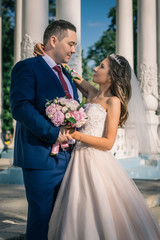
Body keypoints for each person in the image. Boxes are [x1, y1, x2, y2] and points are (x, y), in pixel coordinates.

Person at [34, 43, 160, 239]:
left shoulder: (114, 102)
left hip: (96, 161)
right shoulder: (92, 93)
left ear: (111, 76)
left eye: (101, 66)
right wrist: (47, 56)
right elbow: (73, 74)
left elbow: (108, 142)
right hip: (77, 158)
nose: (95, 68)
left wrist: (76, 135)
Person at [10, 19, 79, 240]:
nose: (74, 50)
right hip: (41, 157)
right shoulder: (27, 67)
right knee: (41, 221)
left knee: (63, 221)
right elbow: (20, 107)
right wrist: (54, 134)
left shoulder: (68, 74)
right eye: (70, 44)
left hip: (70, 160)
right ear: (53, 40)